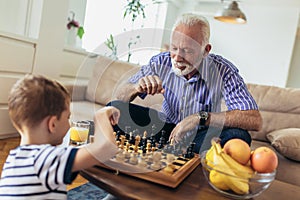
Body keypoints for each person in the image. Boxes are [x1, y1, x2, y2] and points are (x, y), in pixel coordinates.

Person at [108, 13, 262, 153]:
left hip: (201, 135)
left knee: (238, 136)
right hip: (164, 129)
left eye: (187, 51)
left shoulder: (223, 71)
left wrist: (199, 118)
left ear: (206, 50)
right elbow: (118, 98)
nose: (177, 57)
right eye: (174, 48)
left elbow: (254, 120)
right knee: (112, 110)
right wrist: (136, 88)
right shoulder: (161, 62)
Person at [0, 74, 120, 199]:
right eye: (68, 117)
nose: (69, 124)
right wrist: (102, 115)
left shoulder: (13, 159)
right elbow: (107, 147)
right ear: (52, 124)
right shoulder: (46, 159)